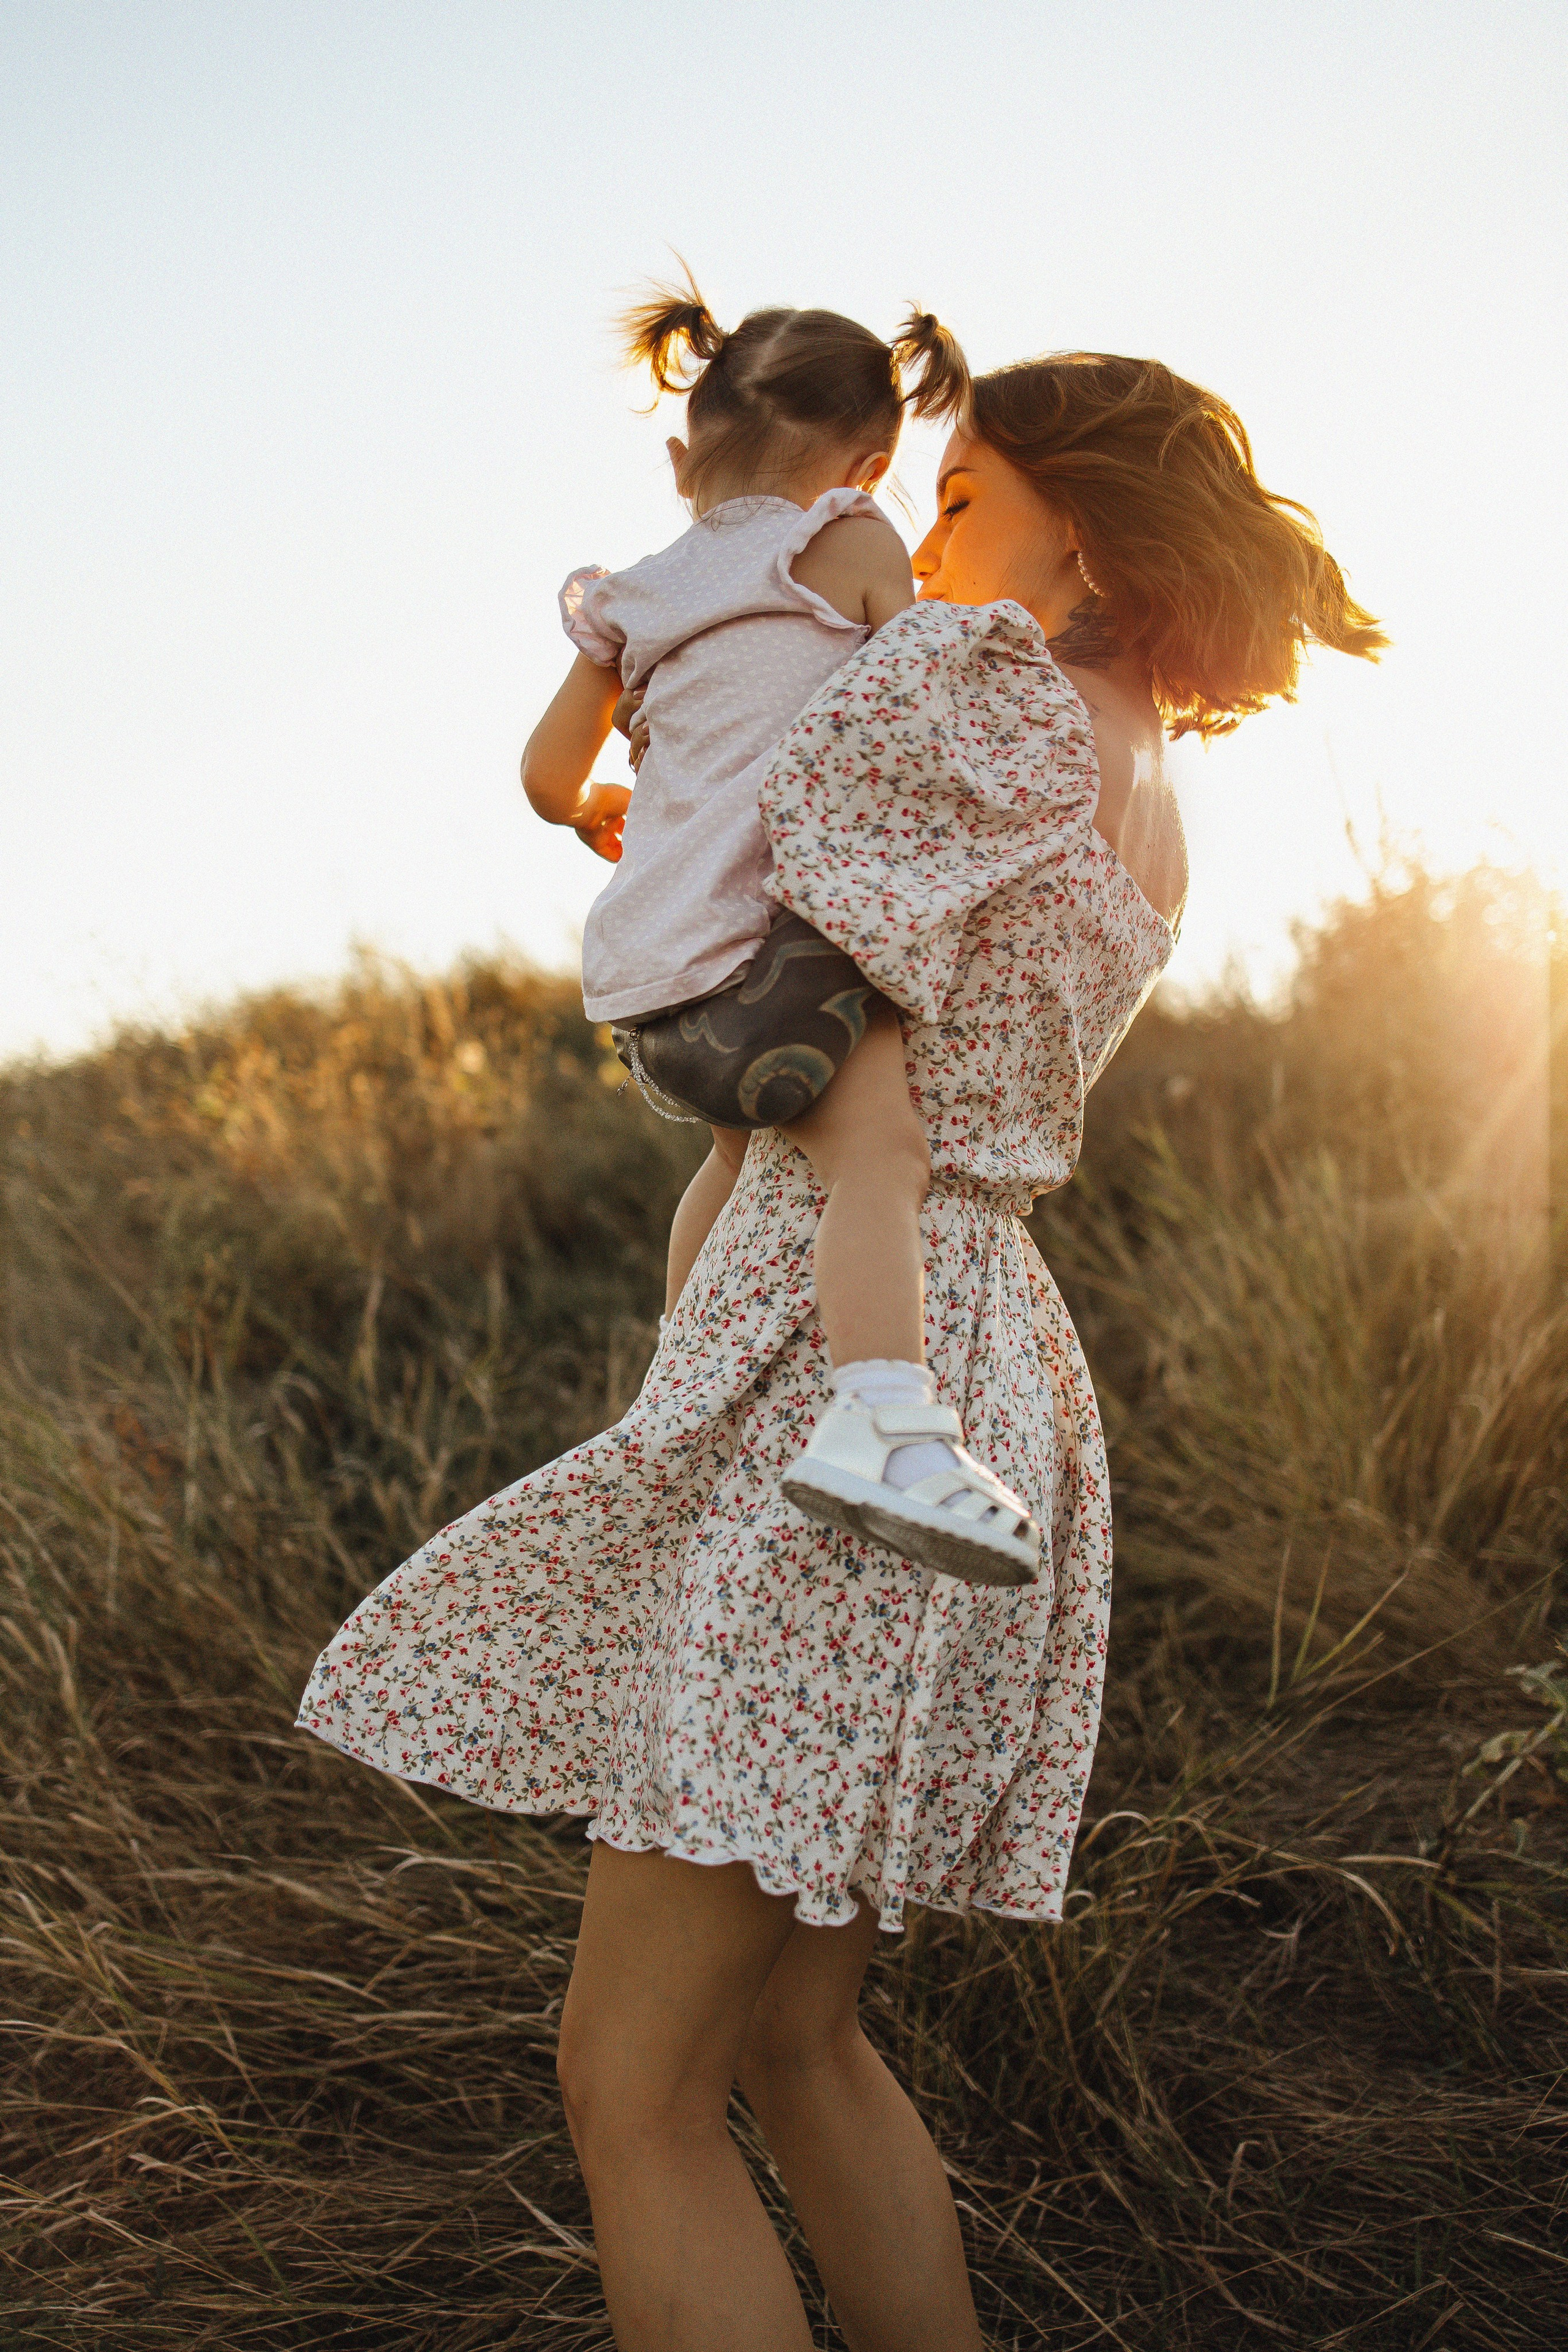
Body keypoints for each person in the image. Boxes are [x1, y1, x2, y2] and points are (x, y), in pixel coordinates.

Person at [298, 346, 1382, 2352]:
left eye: (967, 498)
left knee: (634, 2081)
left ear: (1084, 521)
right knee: (801, 2044)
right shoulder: (1146, 777)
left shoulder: (985, 701)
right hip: (976, 1339)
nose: (921, 536)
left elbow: (751, 854)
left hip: (849, 1360)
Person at [521, 281, 1038, 1589]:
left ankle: (671, 1393)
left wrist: (600, 805)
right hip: (764, 970)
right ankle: (884, 1424)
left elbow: (540, 779)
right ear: (868, 465)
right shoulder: (848, 537)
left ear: (680, 454)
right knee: (881, 1153)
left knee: (736, 1156)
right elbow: (923, 704)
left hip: (649, 991)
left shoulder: (627, 598)